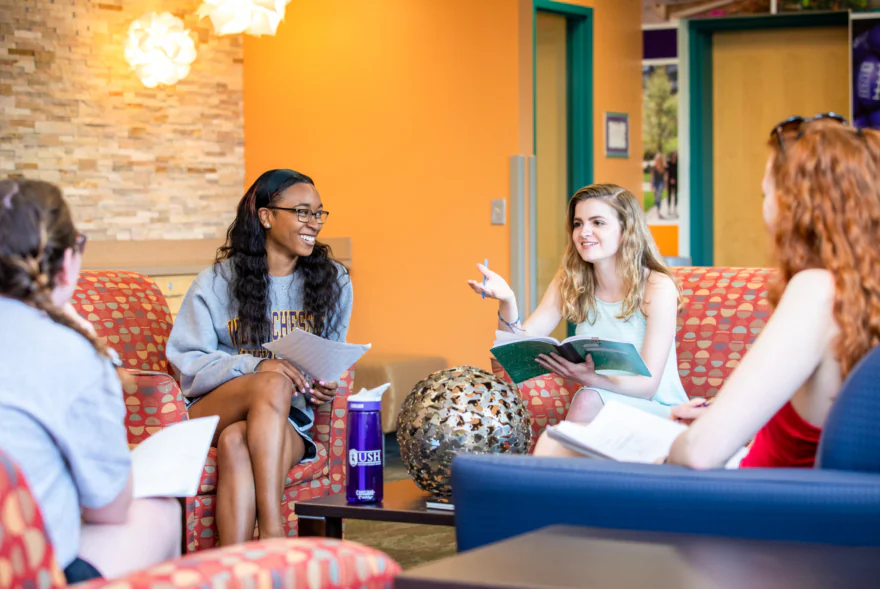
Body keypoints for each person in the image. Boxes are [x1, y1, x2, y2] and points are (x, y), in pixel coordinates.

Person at [667, 114, 880, 469]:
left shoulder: (819, 291)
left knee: (560, 445)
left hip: (759, 512)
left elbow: (698, 454)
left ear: (797, 209)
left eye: (766, 194)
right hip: (814, 509)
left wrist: (665, 449)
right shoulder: (860, 295)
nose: (764, 208)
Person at [0, 179, 181, 583]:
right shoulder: (72, 353)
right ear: (66, 262)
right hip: (24, 571)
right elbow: (109, 509)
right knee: (162, 511)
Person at [166, 169, 353, 545]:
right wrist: (256, 366)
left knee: (238, 442)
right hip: (214, 409)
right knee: (270, 381)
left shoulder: (333, 281)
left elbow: (331, 357)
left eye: (318, 213)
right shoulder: (216, 282)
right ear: (266, 216)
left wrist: (323, 385)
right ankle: (272, 534)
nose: (313, 223)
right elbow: (187, 367)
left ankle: (234, 566)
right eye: (302, 212)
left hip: (290, 420)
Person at [468, 183, 689, 457]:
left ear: (626, 230)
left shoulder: (656, 286)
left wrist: (589, 378)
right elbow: (514, 349)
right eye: (578, 223)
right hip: (601, 405)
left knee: (583, 400)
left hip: (659, 410)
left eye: (598, 222)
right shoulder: (570, 281)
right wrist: (508, 301)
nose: (584, 233)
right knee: (552, 441)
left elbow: (648, 386)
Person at [651, 153, 667, 219]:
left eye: (659, 159)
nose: (658, 160)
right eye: (657, 159)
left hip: (661, 182)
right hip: (655, 183)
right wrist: (651, 184)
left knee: (659, 195)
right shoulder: (654, 167)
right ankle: (658, 211)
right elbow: (652, 177)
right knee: (656, 198)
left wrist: (665, 184)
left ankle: (658, 210)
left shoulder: (663, 167)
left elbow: (665, 176)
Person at [666, 151, 678, 218]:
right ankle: (669, 209)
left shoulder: (678, 164)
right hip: (670, 181)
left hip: (676, 182)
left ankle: (675, 209)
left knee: (676, 195)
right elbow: (667, 173)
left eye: (675, 157)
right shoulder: (669, 164)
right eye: (673, 156)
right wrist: (669, 180)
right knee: (669, 195)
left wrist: (675, 180)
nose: (674, 158)